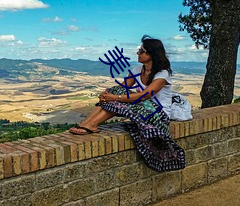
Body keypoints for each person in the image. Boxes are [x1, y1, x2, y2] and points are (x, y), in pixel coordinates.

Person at [69, 35, 185, 171]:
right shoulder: (137, 70)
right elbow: (123, 87)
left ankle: (92, 124)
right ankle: (87, 123)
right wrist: (107, 94)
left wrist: (115, 97)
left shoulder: (162, 73)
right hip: (143, 107)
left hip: (158, 114)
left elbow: (144, 95)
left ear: (152, 54)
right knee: (114, 91)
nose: (138, 53)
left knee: (117, 99)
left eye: (142, 51)